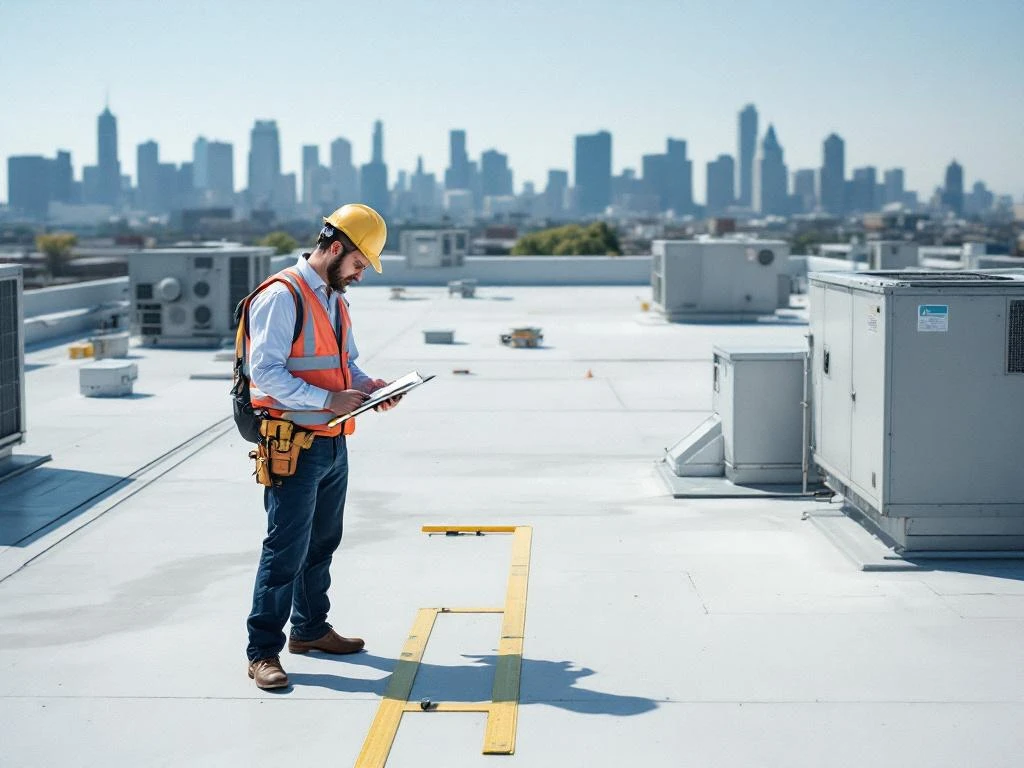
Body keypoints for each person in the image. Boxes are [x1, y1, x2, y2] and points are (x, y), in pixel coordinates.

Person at [244, 203, 399, 690]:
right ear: (336, 248)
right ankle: (262, 651)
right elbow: (263, 372)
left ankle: (310, 630)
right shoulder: (282, 296)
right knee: (284, 548)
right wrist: (328, 398)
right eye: (357, 263)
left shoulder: (334, 299)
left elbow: (343, 363)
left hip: (332, 440)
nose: (359, 274)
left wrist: (368, 387)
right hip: (293, 441)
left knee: (322, 542)